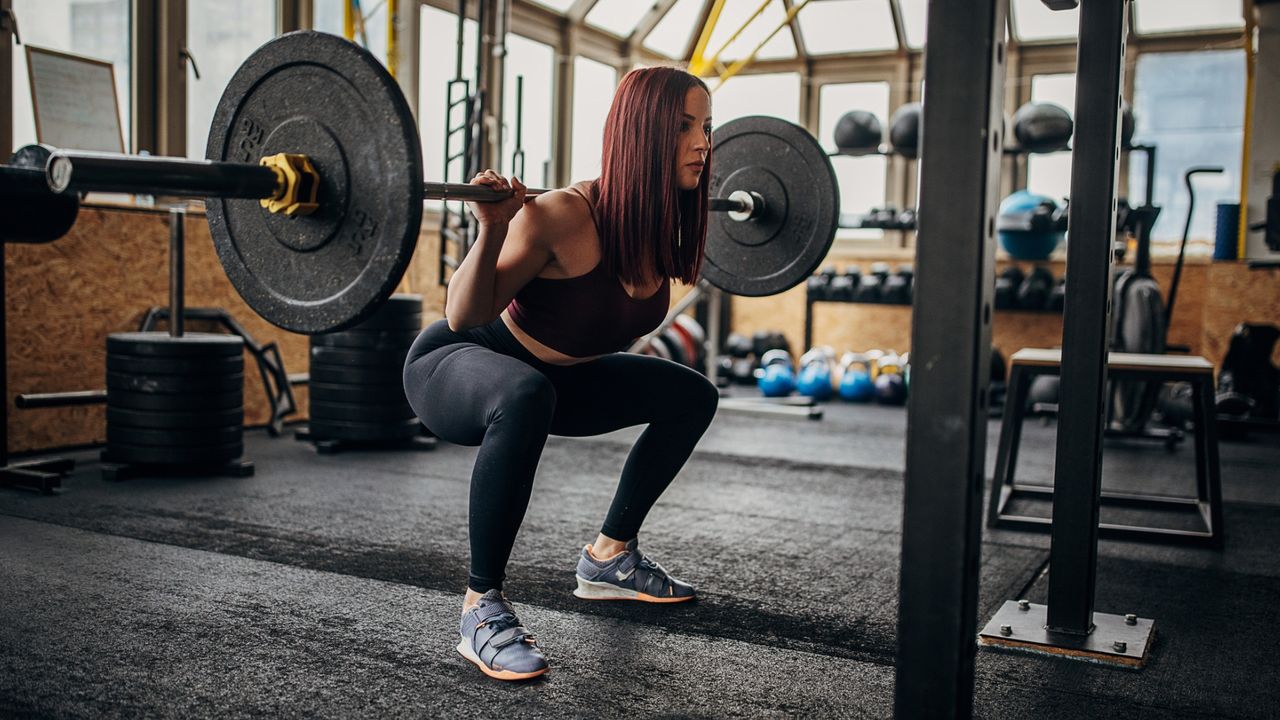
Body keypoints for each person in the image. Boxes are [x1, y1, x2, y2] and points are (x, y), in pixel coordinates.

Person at [402, 66, 719, 681]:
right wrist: (492, 228)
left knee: (691, 395)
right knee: (525, 391)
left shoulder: (657, 225)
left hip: (555, 383)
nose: (703, 142)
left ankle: (609, 558)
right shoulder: (561, 216)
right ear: (642, 133)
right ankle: (480, 607)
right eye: (684, 127)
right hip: (456, 365)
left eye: (706, 126)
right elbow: (463, 313)